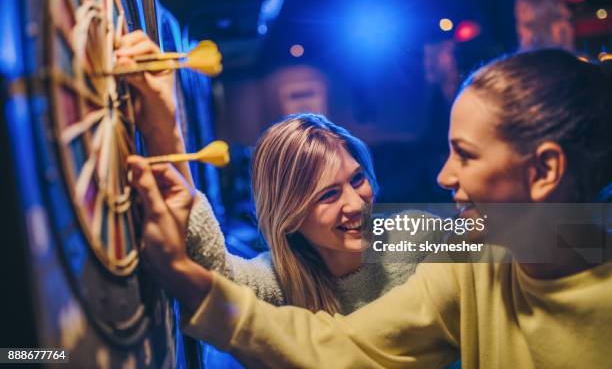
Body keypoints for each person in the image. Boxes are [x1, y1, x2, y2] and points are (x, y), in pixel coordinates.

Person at [131, 48, 612, 368]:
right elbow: (341, 346)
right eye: (325, 195)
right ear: (289, 216)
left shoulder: (432, 241)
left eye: (464, 154)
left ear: (545, 171)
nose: (443, 177)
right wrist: (165, 133)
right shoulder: (471, 269)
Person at [117, 31, 435, 315]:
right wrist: (163, 120)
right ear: (290, 215)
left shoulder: (418, 237)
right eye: (328, 194)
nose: (355, 204)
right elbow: (212, 267)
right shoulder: (281, 285)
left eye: (356, 179)